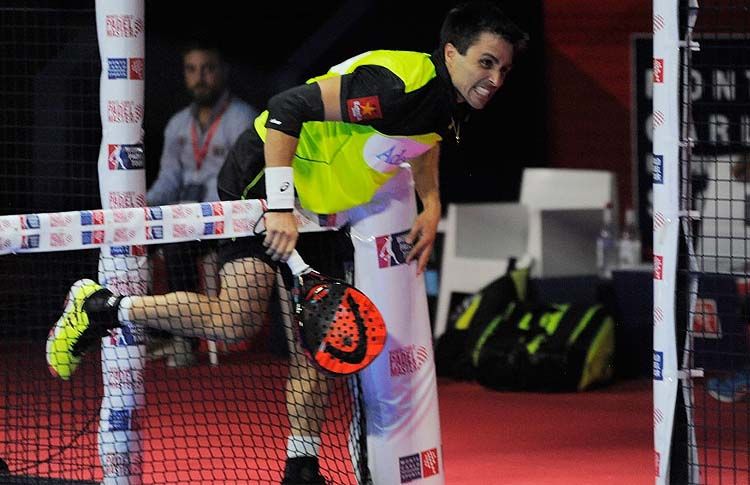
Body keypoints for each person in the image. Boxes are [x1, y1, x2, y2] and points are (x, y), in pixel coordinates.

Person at [46, 2, 529, 483]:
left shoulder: (452, 101)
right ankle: (102, 306)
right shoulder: (396, 85)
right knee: (235, 321)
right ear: (450, 53)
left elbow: (423, 139)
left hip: (317, 210)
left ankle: (302, 466)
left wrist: (432, 202)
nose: (496, 79)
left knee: (319, 341)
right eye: (486, 63)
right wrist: (278, 205)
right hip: (263, 178)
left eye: (504, 69)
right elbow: (286, 109)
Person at [146, 40, 257, 367]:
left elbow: (241, 183)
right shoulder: (177, 123)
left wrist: (194, 214)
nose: (200, 77)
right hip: (184, 217)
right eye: (192, 69)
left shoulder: (242, 118)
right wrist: (142, 209)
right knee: (136, 241)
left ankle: (183, 338)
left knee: (178, 248)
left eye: (207, 68)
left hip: (227, 218)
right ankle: (145, 330)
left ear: (223, 71)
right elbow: (168, 180)